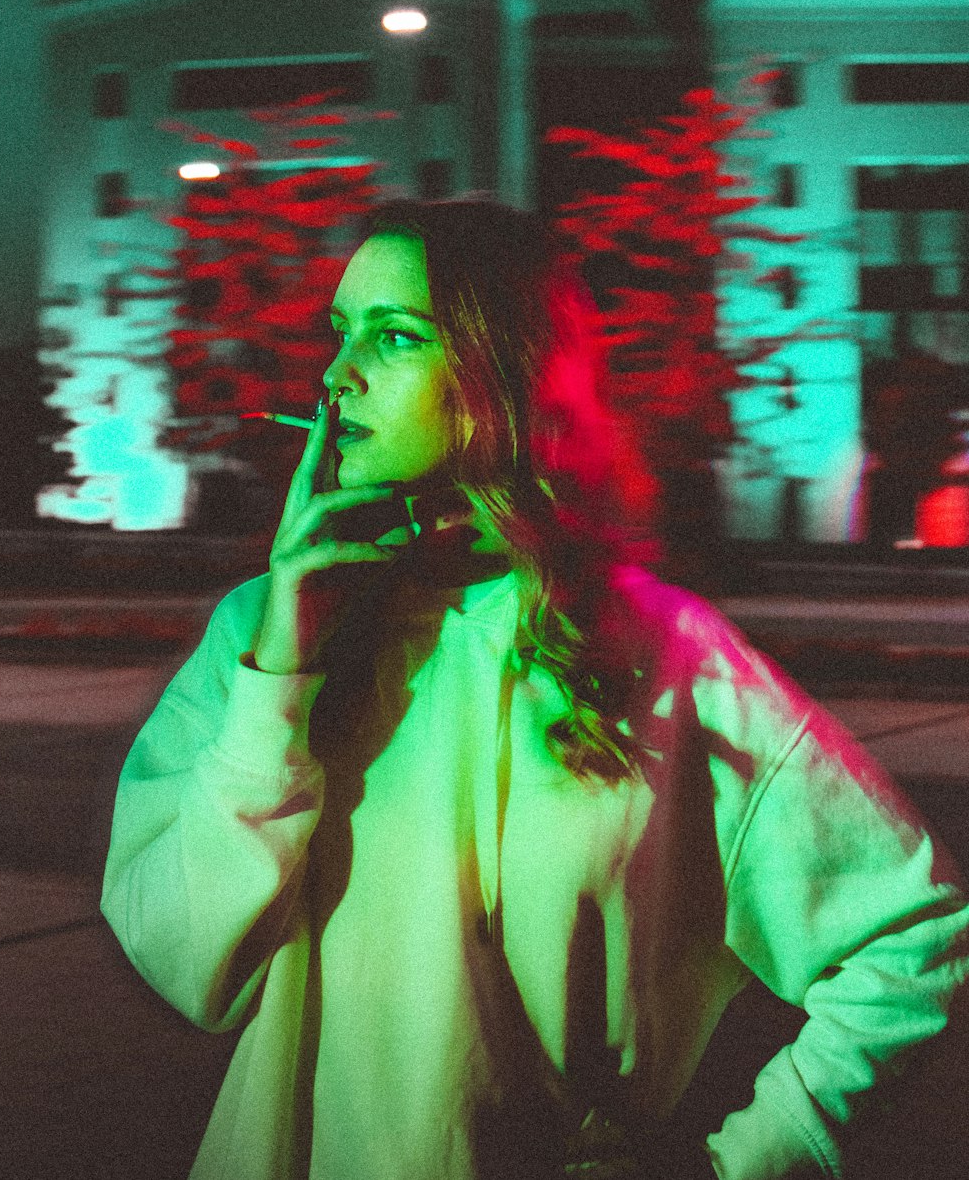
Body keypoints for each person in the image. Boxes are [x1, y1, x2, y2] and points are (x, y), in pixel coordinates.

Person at [101, 199, 969, 1180]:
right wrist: (280, 668)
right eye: (340, 333)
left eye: (394, 337)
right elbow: (184, 960)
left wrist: (742, 1160)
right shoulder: (257, 634)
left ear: (499, 375)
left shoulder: (666, 654)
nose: (339, 375)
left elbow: (912, 936)